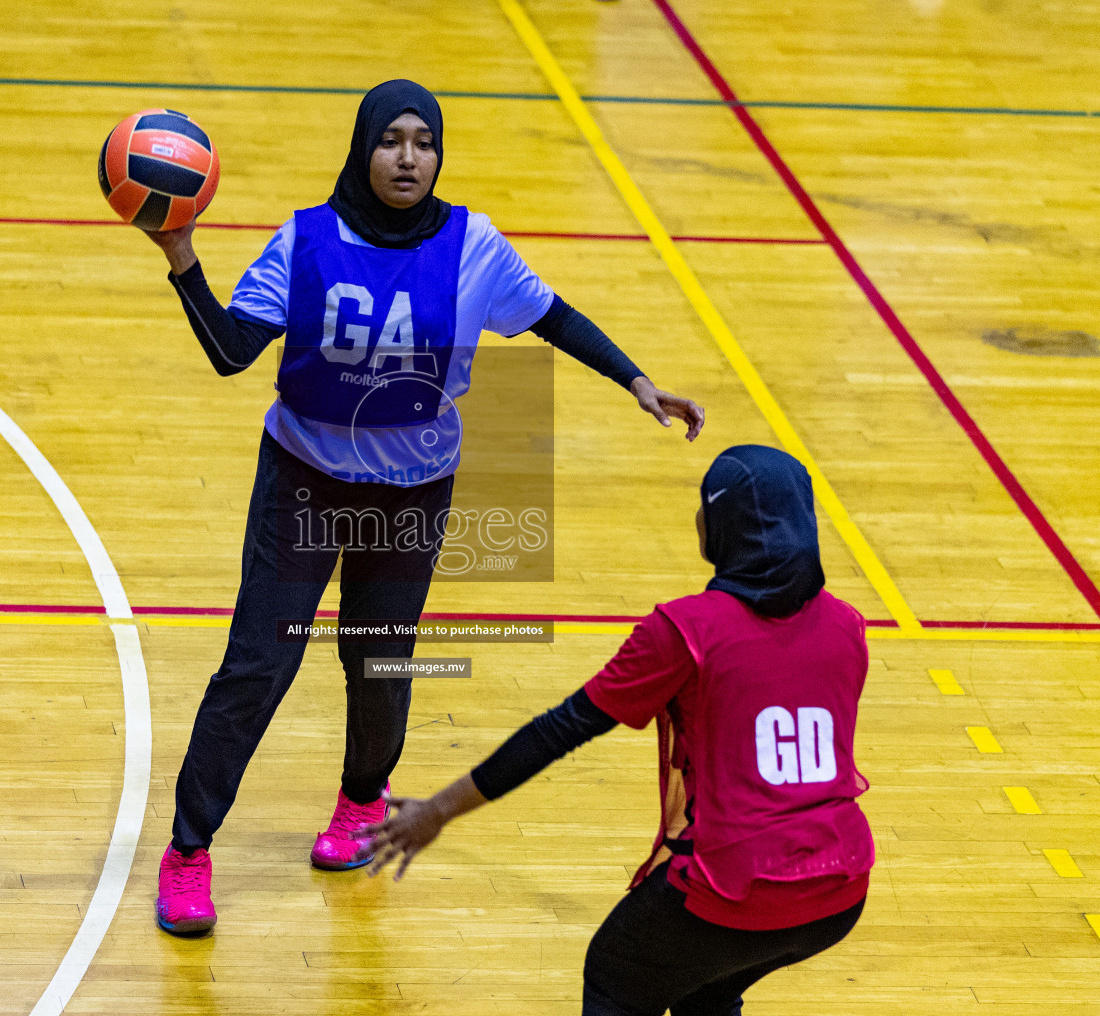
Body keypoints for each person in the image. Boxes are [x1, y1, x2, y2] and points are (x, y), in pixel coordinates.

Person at [146, 79, 706, 935]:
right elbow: (230, 354)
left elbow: (552, 317)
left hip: (411, 495)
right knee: (258, 667)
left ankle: (360, 805)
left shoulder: (474, 245)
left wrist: (636, 381)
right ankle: (188, 850)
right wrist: (182, 254)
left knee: (379, 663)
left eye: (424, 142)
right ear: (362, 148)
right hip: (304, 480)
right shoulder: (305, 238)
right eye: (391, 141)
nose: (408, 157)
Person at [359, 445, 873, 1016]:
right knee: (706, 988)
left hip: (734, 885)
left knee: (616, 977)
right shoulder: (848, 625)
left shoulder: (685, 631)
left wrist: (438, 810)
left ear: (721, 528)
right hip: (841, 885)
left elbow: (563, 729)